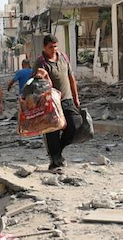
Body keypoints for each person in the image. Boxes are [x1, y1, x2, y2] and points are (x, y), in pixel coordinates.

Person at [33, 34, 82, 171]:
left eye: (55, 46)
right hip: (50, 104)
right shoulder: (40, 62)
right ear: (44, 47)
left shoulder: (63, 57)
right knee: (52, 133)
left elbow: (71, 78)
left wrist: (76, 97)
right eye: (50, 47)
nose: (53, 49)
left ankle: (57, 152)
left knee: (74, 125)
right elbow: (36, 84)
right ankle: (55, 160)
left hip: (67, 99)